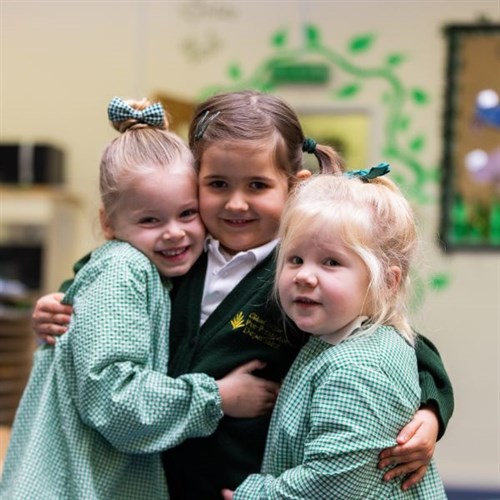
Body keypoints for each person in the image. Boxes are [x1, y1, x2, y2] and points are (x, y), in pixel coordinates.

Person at [31, 91, 454, 499]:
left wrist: (432, 411)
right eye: (217, 184)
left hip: (245, 482)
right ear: (194, 181)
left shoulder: (298, 274)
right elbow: (109, 277)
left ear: (294, 187)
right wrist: (62, 302)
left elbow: (391, 338)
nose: (236, 204)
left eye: (256, 185)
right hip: (160, 477)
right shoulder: (178, 251)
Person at [0, 97, 279, 500]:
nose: (174, 233)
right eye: (150, 220)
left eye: (187, 213)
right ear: (108, 223)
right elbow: (115, 400)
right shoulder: (124, 269)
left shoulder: (159, 269)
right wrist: (217, 396)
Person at [223, 166, 447, 499]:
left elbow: (331, 484)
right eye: (295, 259)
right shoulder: (344, 336)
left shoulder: (357, 369)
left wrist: (254, 495)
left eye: (330, 262)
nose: (304, 276)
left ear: (387, 281)